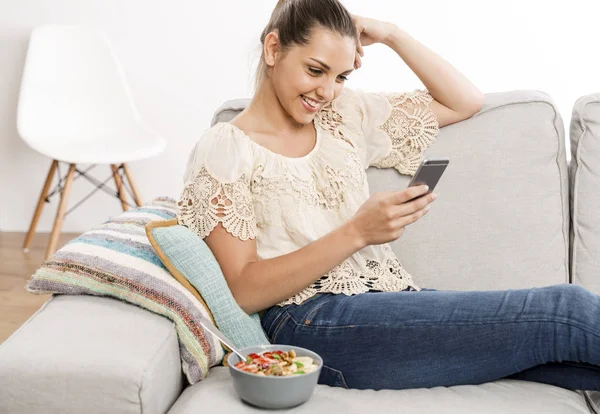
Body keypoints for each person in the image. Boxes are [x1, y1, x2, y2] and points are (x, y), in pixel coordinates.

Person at [177, 0, 600, 391]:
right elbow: (243, 290)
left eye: (341, 76)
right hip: (307, 322)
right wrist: (357, 233)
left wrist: (393, 34)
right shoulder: (226, 146)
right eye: (315, 70)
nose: (326, 91)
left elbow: (465, 101)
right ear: (273, 48)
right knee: (566, 311)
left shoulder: (345, 116)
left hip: (387, 304)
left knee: (565, 359)